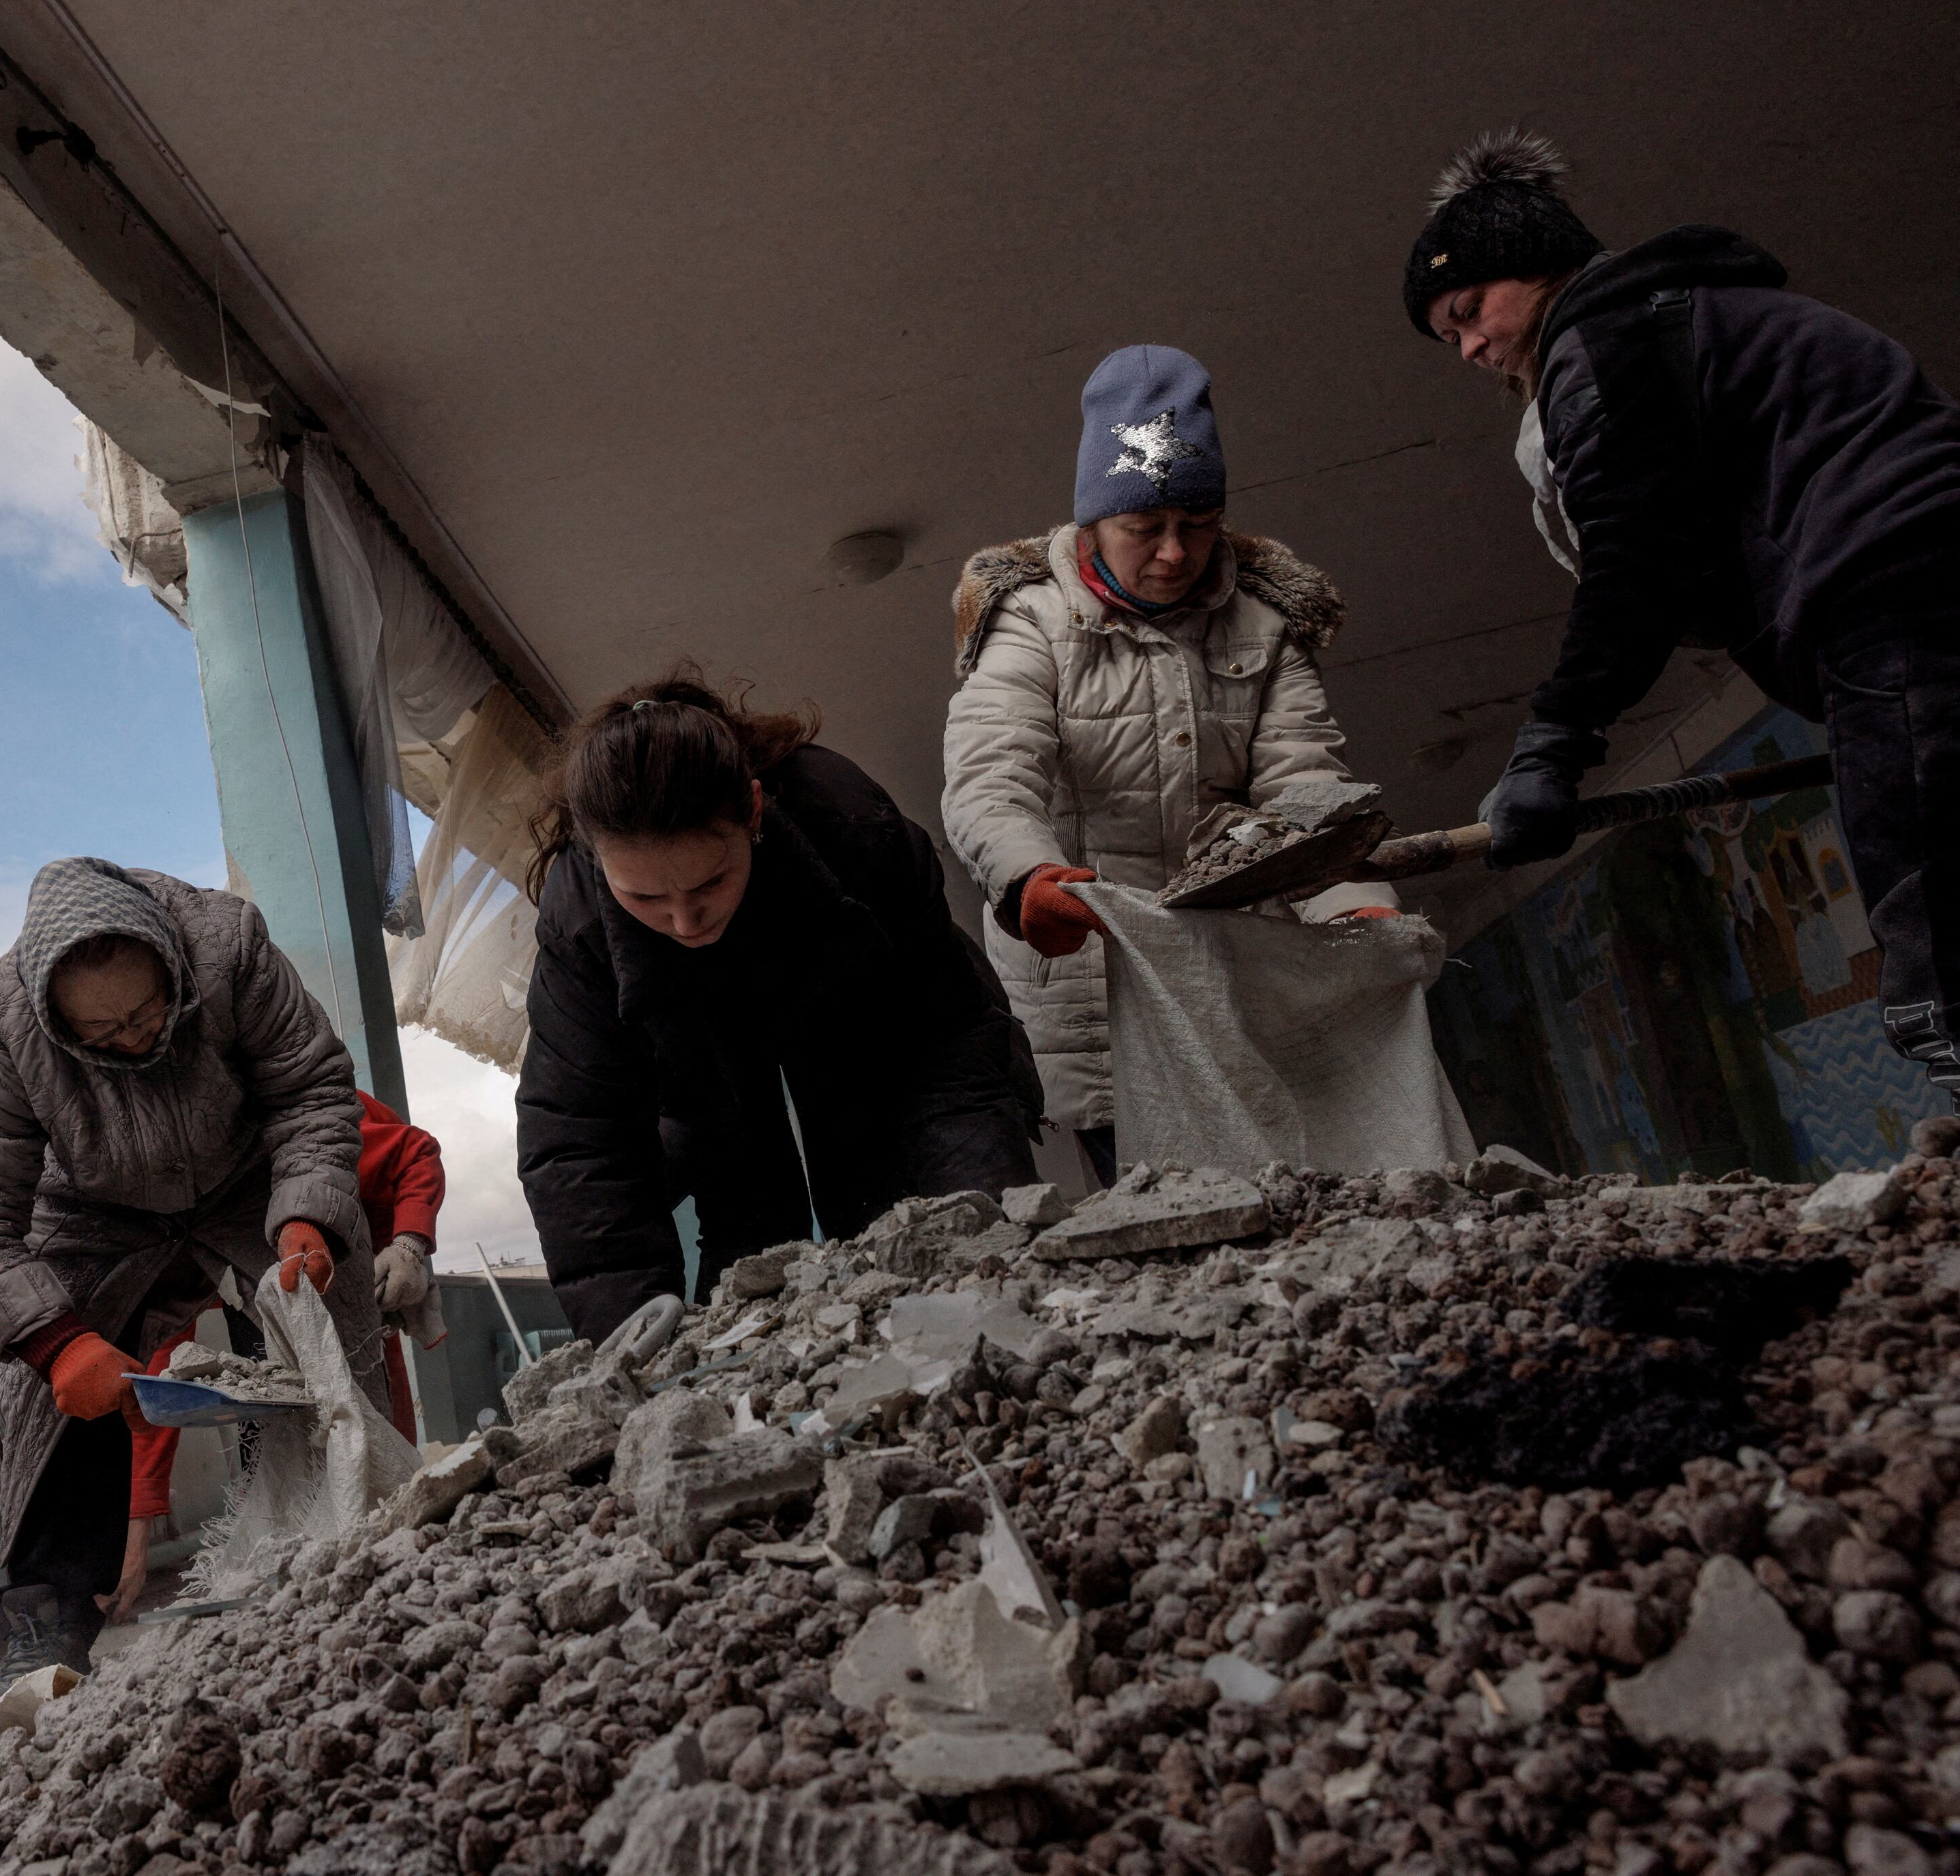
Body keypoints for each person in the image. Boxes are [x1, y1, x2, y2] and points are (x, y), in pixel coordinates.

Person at [1408, 130, 1960, 1095]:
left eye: (1469, 310)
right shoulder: (1699, 313)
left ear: (1536, 267)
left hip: (1897, 593)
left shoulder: (1601, 343)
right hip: (1916, 584)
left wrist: (1553, 741)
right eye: (1448, 337)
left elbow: (1634, 564)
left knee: (1924, 894)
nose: (1468, 346)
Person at [0, 856, 394, 1709]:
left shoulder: (230, 944)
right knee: (49, 1390)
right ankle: (48, 1622)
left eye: (148, 1014)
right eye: (104, 1035)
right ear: (54, 1018)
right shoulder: (0, 1020)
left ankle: (363, 1542)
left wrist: (306, 1217)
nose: (137, 1037)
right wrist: (55, 1343)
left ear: (173, 965)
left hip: (251, 1177)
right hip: (92, 1207)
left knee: (323, 1314)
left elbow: (312, 1088)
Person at [940, 346, 1398, 1182]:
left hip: (1240, 979)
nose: (1175, 553)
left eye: (1197, 524)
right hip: (1100, 995)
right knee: (1163, 1213)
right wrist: (1025, 876)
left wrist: (1354, 903)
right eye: (1143, 528)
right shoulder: (1029, 624)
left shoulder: (1265, 626)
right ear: (1092, 523)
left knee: (1297, 1201)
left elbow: (1306, 792)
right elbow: (991, 778)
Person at [514, 668, 1039, 1343]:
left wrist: (984, 1223)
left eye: (709, 880)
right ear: (596, 855)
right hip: (710, 1097)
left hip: (880, 1045)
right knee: (748, 1266)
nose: (683, 918)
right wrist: (627, 1318)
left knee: (943, 1256)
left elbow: (946, 1049)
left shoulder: (851, 824)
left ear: (754, 811)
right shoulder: (580, 926)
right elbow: (579, 1137)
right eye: (645, 897)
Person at [106, 1090, 444, 1621]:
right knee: (274, 1425)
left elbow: (416, 1153)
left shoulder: (292, 1138)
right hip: (262, 1275)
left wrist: (408, 1244)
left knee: (368, 1420)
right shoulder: (179, 1214)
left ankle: (391, 1573)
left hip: (351, 1251)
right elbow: (168, 1362)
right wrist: (136, 1532)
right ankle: (294, 1580)